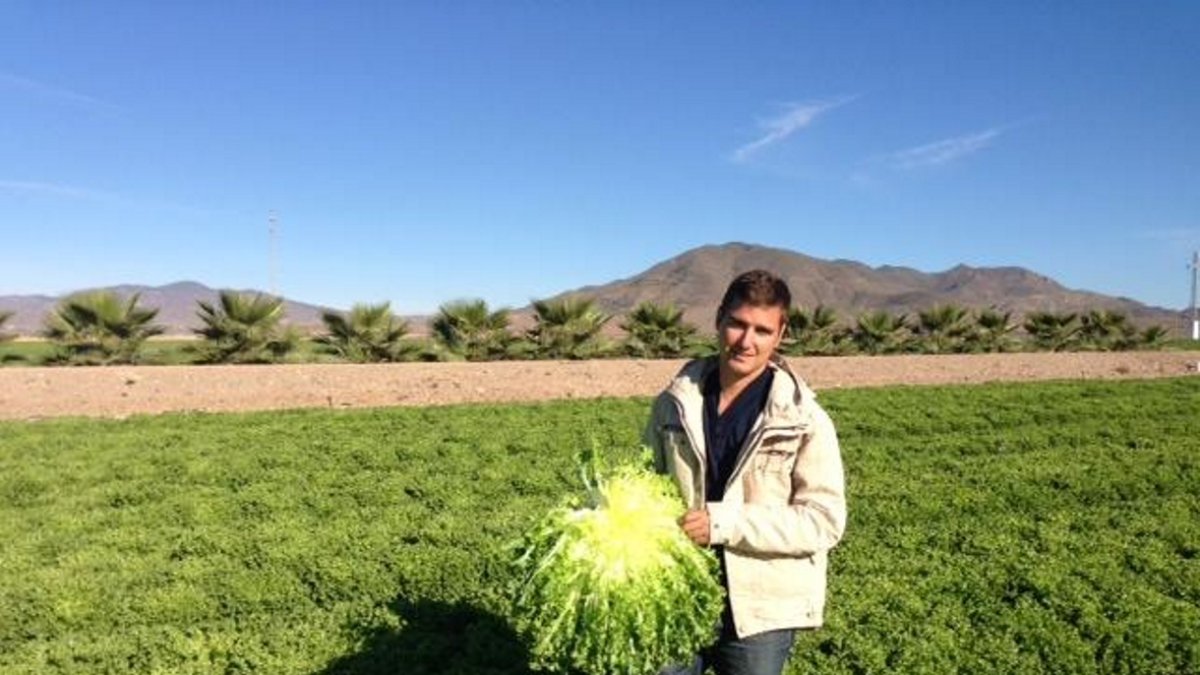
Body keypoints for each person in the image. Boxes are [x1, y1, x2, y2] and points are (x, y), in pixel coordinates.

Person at [645, 269, 847, 675]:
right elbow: (646, 481)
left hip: (759, 610)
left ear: (780, 333)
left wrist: (723, 524)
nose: (746, 341)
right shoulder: (674, 403)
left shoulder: (804, 418)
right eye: (737, 323)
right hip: (675, 589)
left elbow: (824, 522)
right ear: (719, 318)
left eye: (761, 329)